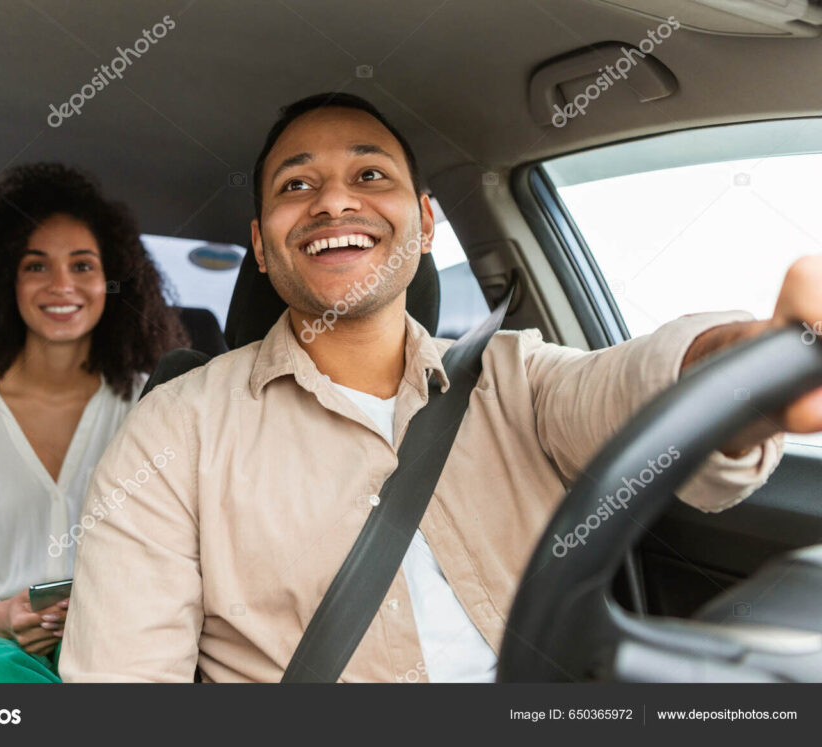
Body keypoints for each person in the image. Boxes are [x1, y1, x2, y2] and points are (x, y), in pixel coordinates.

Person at [60, 93, 820, 682]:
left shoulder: (516, 376)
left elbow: (628, 384)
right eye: (298, 185)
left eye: (369, 175)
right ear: (261, 245)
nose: (334, 202)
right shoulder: (173, 432)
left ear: (424, 223)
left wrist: (746, 359)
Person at [0, 163, 189, 682]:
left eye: (82, 266)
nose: (62, 285)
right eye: (36, 266)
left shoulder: (157, 403)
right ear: (5, 280)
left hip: (129, 646)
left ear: (114, 280)